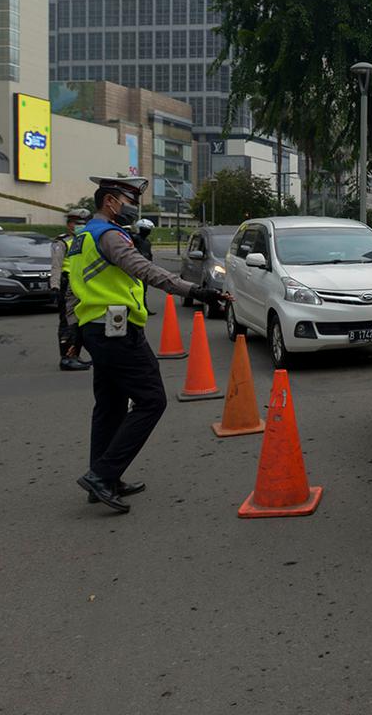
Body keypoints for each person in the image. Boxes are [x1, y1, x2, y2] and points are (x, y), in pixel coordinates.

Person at [68, 176, 228, 513]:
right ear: (110, 201)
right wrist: (196, 291)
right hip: (116, 331)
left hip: (97, 328)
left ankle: (106, 479)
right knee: (152, 400)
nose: (132, 209)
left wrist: (74, 330)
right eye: (128, 202)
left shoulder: (82, 236)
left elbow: (74, 286)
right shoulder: (109, 235)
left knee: (109, 406)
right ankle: (102, 474)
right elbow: (146, 270)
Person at [52, 208, 91, 371]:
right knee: (68, 322)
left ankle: (75, 354)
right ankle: (66, 358)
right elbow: (56, 266)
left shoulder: (88, 240)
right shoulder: (62, 242)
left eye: (83, 223)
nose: (79, 226)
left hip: (83, 285)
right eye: (76, 223)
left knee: (81, 322)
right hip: (67, 285)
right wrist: (54, 286)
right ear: (69, 224)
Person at [131, 219, 157, 314]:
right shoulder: (135, 238)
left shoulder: (147, 241)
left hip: (145, 266)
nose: (147, 231)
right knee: (136, 289)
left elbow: (149, 254)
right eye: (145, 229)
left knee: (144, 290)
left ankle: (144, 308)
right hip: (136, 267)